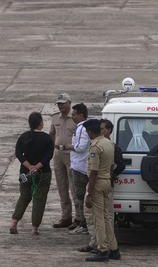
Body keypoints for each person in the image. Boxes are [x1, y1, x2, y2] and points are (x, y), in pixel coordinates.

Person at [11, 111, 55, 235]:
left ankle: (14, 222)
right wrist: (36, 167)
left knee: (24, 196)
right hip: (42, 174)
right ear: (41, 123)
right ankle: (35, 228)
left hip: (25, 173)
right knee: (39, 199)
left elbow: (19, 154)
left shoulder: (23, 137)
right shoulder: (47, 139)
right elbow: (48, 156)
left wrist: (29, 166)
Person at [82, 119, 120, 262]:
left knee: (98, 218)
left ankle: (102, 249)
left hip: (97, 183)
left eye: (87, 132)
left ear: (91, 132)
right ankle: (114, 248)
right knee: (107, 217)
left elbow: (93, 172)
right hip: (107, 182)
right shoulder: (108, 143)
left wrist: (89, 194)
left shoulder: (96, 146)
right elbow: (111, 166)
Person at [48, 93, 76, 229]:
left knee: (74, 187)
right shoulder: (55, 118)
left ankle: (80, 218)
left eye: (62, 103)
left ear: (69, 103)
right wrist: (54, 146)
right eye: (58, 104)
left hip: (72, 155)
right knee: (61, 187)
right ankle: (66, 217)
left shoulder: (75, 117)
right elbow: (51, 134)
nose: (60, 106)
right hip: (58, 154)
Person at [69, 103, 93, 241]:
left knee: (80, 197)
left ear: (81, 115)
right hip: (80, 165)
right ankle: (83, 222)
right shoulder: (83, 127)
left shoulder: (82, 128)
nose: (72, 117)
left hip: (80, 167)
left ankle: (84, 224)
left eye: (74, 114)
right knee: (80, 197)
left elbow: (80, 147)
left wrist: (68, 146)